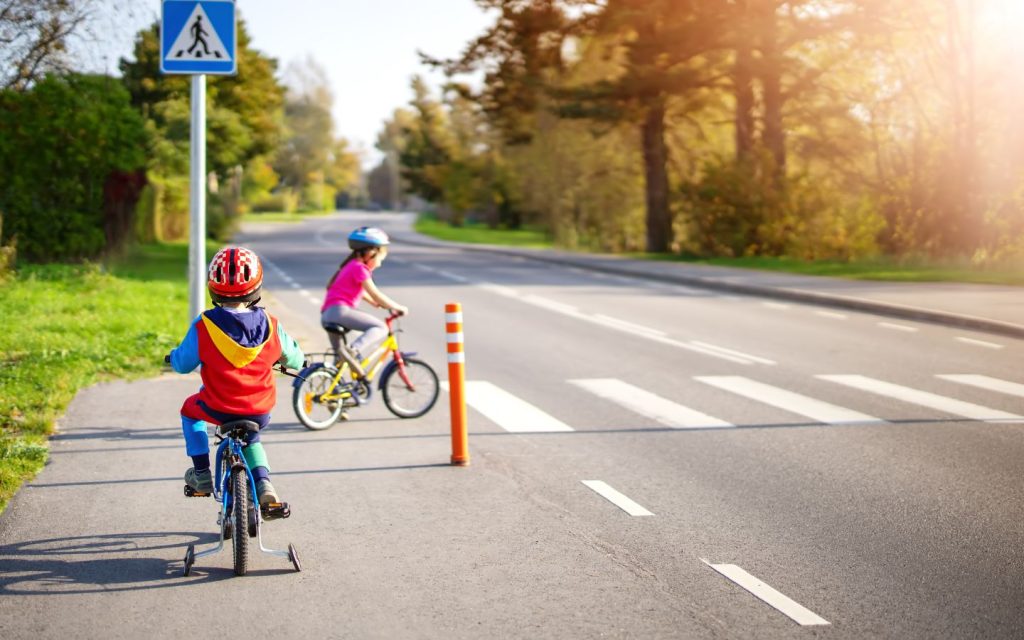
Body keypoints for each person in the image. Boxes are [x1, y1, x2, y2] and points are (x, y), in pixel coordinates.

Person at [168, 246, 305, 508]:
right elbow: (295, 357)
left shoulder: (204, 325)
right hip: (259, 410)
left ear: (213, 286)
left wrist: (173, 357)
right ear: (257, 286)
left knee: (189, 410)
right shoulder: (271, 324)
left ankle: (201, 474)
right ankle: (264, 483)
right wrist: (300, 360)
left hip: (217, 407)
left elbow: (183, 364)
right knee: (252, 438)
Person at [320, 227, 408, 377]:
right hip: (340, 311)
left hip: (328, 314)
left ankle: (333, 392)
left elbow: (354, 290)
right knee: (380, 327)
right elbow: (375, 293)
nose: (379, 263)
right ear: (370, 253)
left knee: (339, 361)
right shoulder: (360, 268)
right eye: (380, 259)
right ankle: (354, 350)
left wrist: (373, 303)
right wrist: (397, 307)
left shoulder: (349, 266)